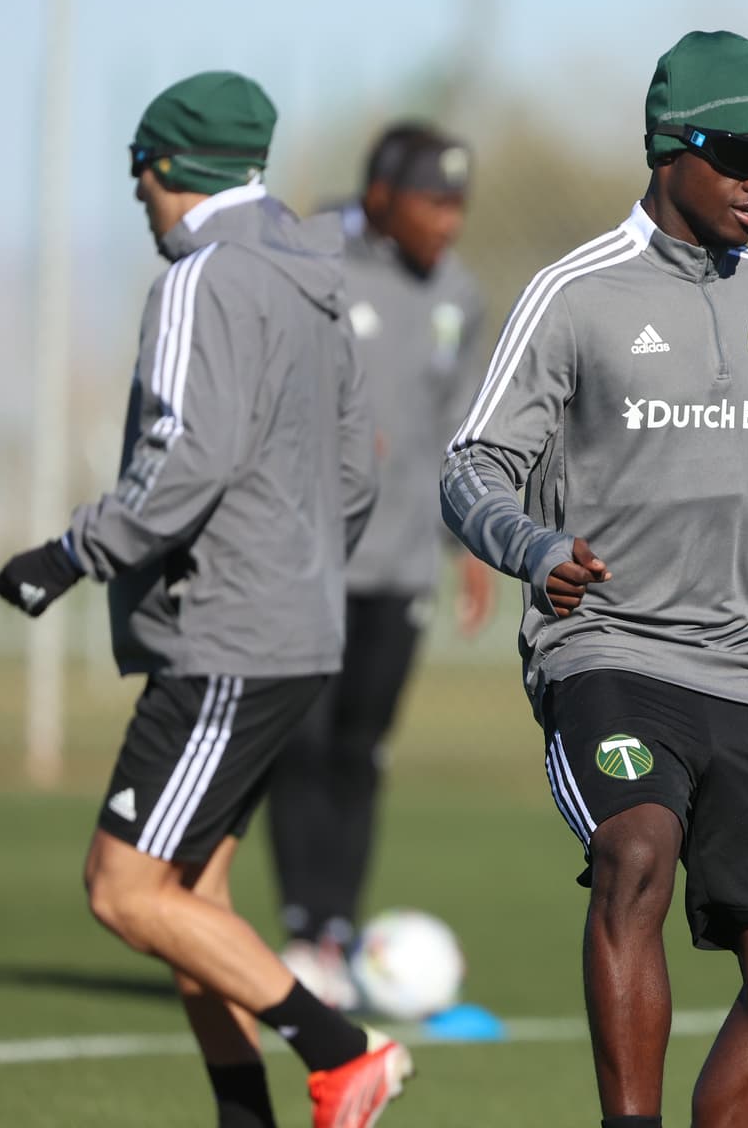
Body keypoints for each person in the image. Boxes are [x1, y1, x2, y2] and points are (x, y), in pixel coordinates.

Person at [440, 31, 748, 1127]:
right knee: (635, 849)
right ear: (668, 147)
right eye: (738, 151)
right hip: (611, 652)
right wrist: (531, 550)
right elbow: (470, 466)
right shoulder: (571, 294)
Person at [0, 71, 412, 1128]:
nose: (139, 202)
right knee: (191, 902)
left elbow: (187, 452)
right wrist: (305, 565)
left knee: (123, 889)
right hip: (303, 628)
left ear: (162, 168)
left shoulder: (201, 277)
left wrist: (71, 551)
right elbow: (357, 473)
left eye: (139, 181)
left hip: (231, 634)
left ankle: (343, 1050)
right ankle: (245, 1118)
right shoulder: (316, 276)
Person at [267, 122, 493, 1005]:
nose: (449, 221)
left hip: (400, 563)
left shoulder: (458, 294)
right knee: (301, 743)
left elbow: (456, 424)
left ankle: (336, 934)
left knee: (361, 752)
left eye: (458, 204)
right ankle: (299, 933)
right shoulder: (310, 259)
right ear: (380, 197)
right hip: (307, 558)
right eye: (434, 201)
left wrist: (467, 538)